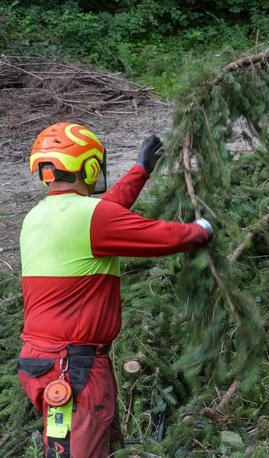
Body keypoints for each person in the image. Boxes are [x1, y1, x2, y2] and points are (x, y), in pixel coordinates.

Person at [16, 122, 213, 457]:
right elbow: (161, 236)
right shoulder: (90, 218)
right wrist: (203, 229)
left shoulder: (38, 216)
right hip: (73, 367)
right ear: (90, 166)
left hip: (47, 360)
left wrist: (141, 170)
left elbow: (108, 209)